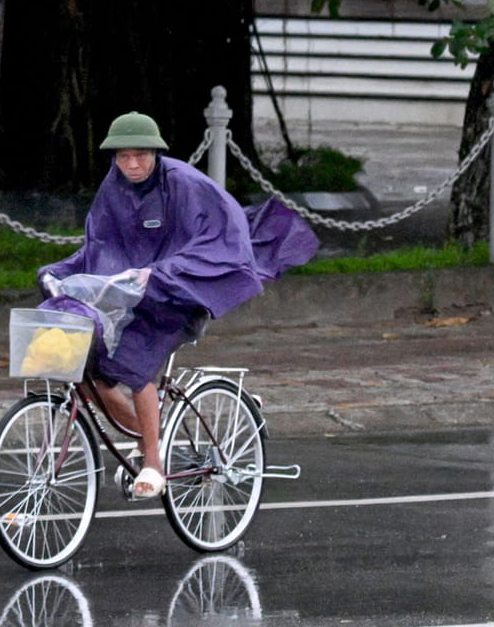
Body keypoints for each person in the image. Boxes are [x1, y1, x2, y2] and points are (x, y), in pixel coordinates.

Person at [37, 111, 319, 498]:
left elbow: (223, 238)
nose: (131, 164)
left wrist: (164, 271)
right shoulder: (114, 188)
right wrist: (59, 271)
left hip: (182, 294)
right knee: (94, 372)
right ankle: (149, 434)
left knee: (135, 365)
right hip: (133, 297)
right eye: (123, 157)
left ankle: (153, 462)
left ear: (155, 153)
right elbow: (98, 245)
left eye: (140, 155)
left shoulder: (184, 184)